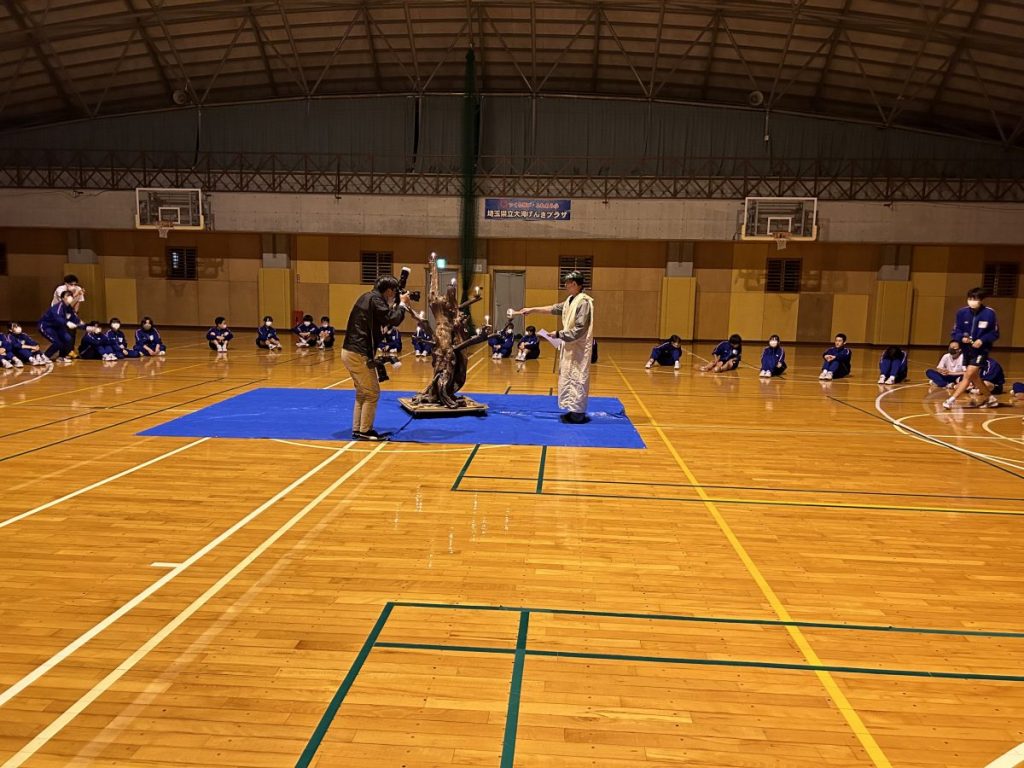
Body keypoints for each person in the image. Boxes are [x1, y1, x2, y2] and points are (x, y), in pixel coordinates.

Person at [509, 270, 594, 424]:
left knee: (578, 377)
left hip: (579, 348)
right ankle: (571, 409)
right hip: (569, 347)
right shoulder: (570, 300)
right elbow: (553, 308)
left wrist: (559, 334)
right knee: (568, 376)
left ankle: (578, 412)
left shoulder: (583, 303)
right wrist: (532, 309)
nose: (566, 285)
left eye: (568, 283)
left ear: (575, 284)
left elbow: (580, 329)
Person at [341, 275, 411, 441]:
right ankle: (366, 431)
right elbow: (393, 319)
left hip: (350, 351)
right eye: (394, 292)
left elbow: (385, 317)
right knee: (372, 393)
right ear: (389, 291)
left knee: (362, 393)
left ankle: (358, 429)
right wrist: (402, 304)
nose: (394, 295)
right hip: (359, 353)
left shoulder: (367, 297)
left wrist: (397, 305)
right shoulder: (376, 300)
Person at [944, 287, 999, 410]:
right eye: (970, 298)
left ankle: (950, 400)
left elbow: (994, 333)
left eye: (975, 299)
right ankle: (991, 399)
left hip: (981, 351)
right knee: (974, 377)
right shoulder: (961, 313)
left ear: (981, 300)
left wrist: (982, 340)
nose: (972, 301)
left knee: (968, 375)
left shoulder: (989, 313)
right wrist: (961, 338)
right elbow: (955, 331)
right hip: (967, 350)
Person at [39, 290, 86, 363]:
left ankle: (61, 357)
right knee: (57, 342)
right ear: (62, 298)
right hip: (47, 326)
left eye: (71, 295)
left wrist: (81, 323)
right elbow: (58, 318)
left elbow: (73, 317)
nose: (70, 297)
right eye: (67, 295)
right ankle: (44, 357)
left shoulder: (69, 308)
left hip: (58, 327)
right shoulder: (58, 307)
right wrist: (67, 323)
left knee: (67, 338)